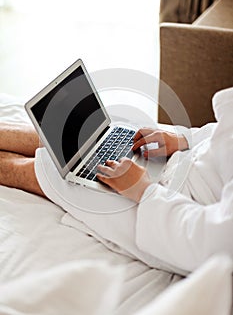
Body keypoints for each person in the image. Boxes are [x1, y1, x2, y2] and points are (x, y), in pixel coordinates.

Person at [0, 86, 233, 273]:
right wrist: (183, 140)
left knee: (56, 177)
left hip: (170, 212)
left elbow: (213, 243)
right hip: (183, 162)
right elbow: (223, 136)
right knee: (84, 142)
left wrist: (143, 190)